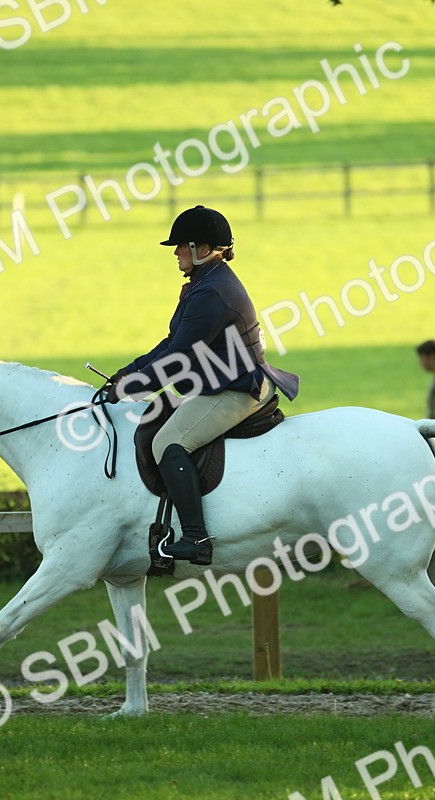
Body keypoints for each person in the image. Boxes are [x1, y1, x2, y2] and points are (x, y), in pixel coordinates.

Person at [106, 206, 299, 566]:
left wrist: (130, 388)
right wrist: (127, 374)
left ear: (203, 249)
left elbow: (179, 356)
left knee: (168, 442)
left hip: (237, 387)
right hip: (220, 379)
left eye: (181, 246)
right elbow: (171, 342)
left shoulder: (211, 293)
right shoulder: (206, 283)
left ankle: (196, 538)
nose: (176, 252)